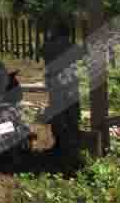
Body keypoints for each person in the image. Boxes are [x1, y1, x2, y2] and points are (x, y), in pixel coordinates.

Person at [42, 19, 82, 154]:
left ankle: (59, 144)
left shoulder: (49, 46)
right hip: (71, 83)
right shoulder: (72, 46)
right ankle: (74, 144)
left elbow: (43, 53)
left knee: (58, 113)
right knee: (72, 114)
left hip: (56, 84)